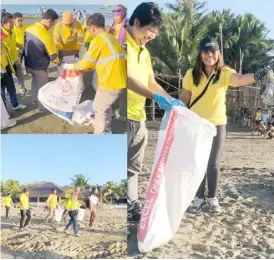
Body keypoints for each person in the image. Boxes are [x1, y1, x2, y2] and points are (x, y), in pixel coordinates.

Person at [179, 36, 272, 213]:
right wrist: (178, 112)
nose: (209, 55)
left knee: (213, 162)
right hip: (196, 124)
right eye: (205, 52)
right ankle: (198, 198)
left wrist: (258, 74)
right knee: (198, 161)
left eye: (213, 51)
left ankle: (212, 198)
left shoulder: (224, 73)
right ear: (200, 54)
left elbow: (240, 79)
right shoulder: (191, 74)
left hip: (217, 124)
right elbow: (184, 96)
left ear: (218, 53)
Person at [126, 2, 184, 222]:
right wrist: (156, 98)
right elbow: (127, 79)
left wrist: (170, 99)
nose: (152, 36)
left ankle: (131, 205)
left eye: (156, 33)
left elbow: (150, 81)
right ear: (136, 22)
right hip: (122, 116)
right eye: (150, 30)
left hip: (139, 117)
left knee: (133, 167)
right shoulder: (123, 45)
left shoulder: (144, 52)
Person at [66, 13, 127, 134]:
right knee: (105, 106)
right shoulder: (111, 38)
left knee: (99, 109)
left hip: (110, 82)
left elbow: (85, 63)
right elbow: (104, 59)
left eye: (88, 29)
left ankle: (99, 134)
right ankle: (106, 129)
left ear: (92, 28)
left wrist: (72, 68)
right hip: (119, 80)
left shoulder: (98, 40)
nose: (88, 32)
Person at [24, 9, 60, 112]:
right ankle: (42, 108)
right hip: (40, 67)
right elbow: (53, 56)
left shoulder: (28, 29)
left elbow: (25, 46)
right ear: (49, 21)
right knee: (42, 87)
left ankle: (34, 99)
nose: (53, 26)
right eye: (53, 23)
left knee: (34, 81)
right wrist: (60, 62)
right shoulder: (46, 35)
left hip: (29, 64)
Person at [2, 13, 28, 95]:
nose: (13, 24)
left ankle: (22, 89)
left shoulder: (12, 31)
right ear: (5, 23)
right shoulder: (1, 34)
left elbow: (13, 42)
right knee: (8, 80)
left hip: (15, 58)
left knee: (20, 75)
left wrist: (20, 46)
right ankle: (8, 94)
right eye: (11, 22)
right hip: (6, 62)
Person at [1, 29, 27, 111]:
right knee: (2, 92)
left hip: (7, 68)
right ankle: (3, 111)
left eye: (1, 40)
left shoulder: (3, 46)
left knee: (11, 88)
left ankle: (15, 105)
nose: (1, 41)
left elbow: (7, 56)